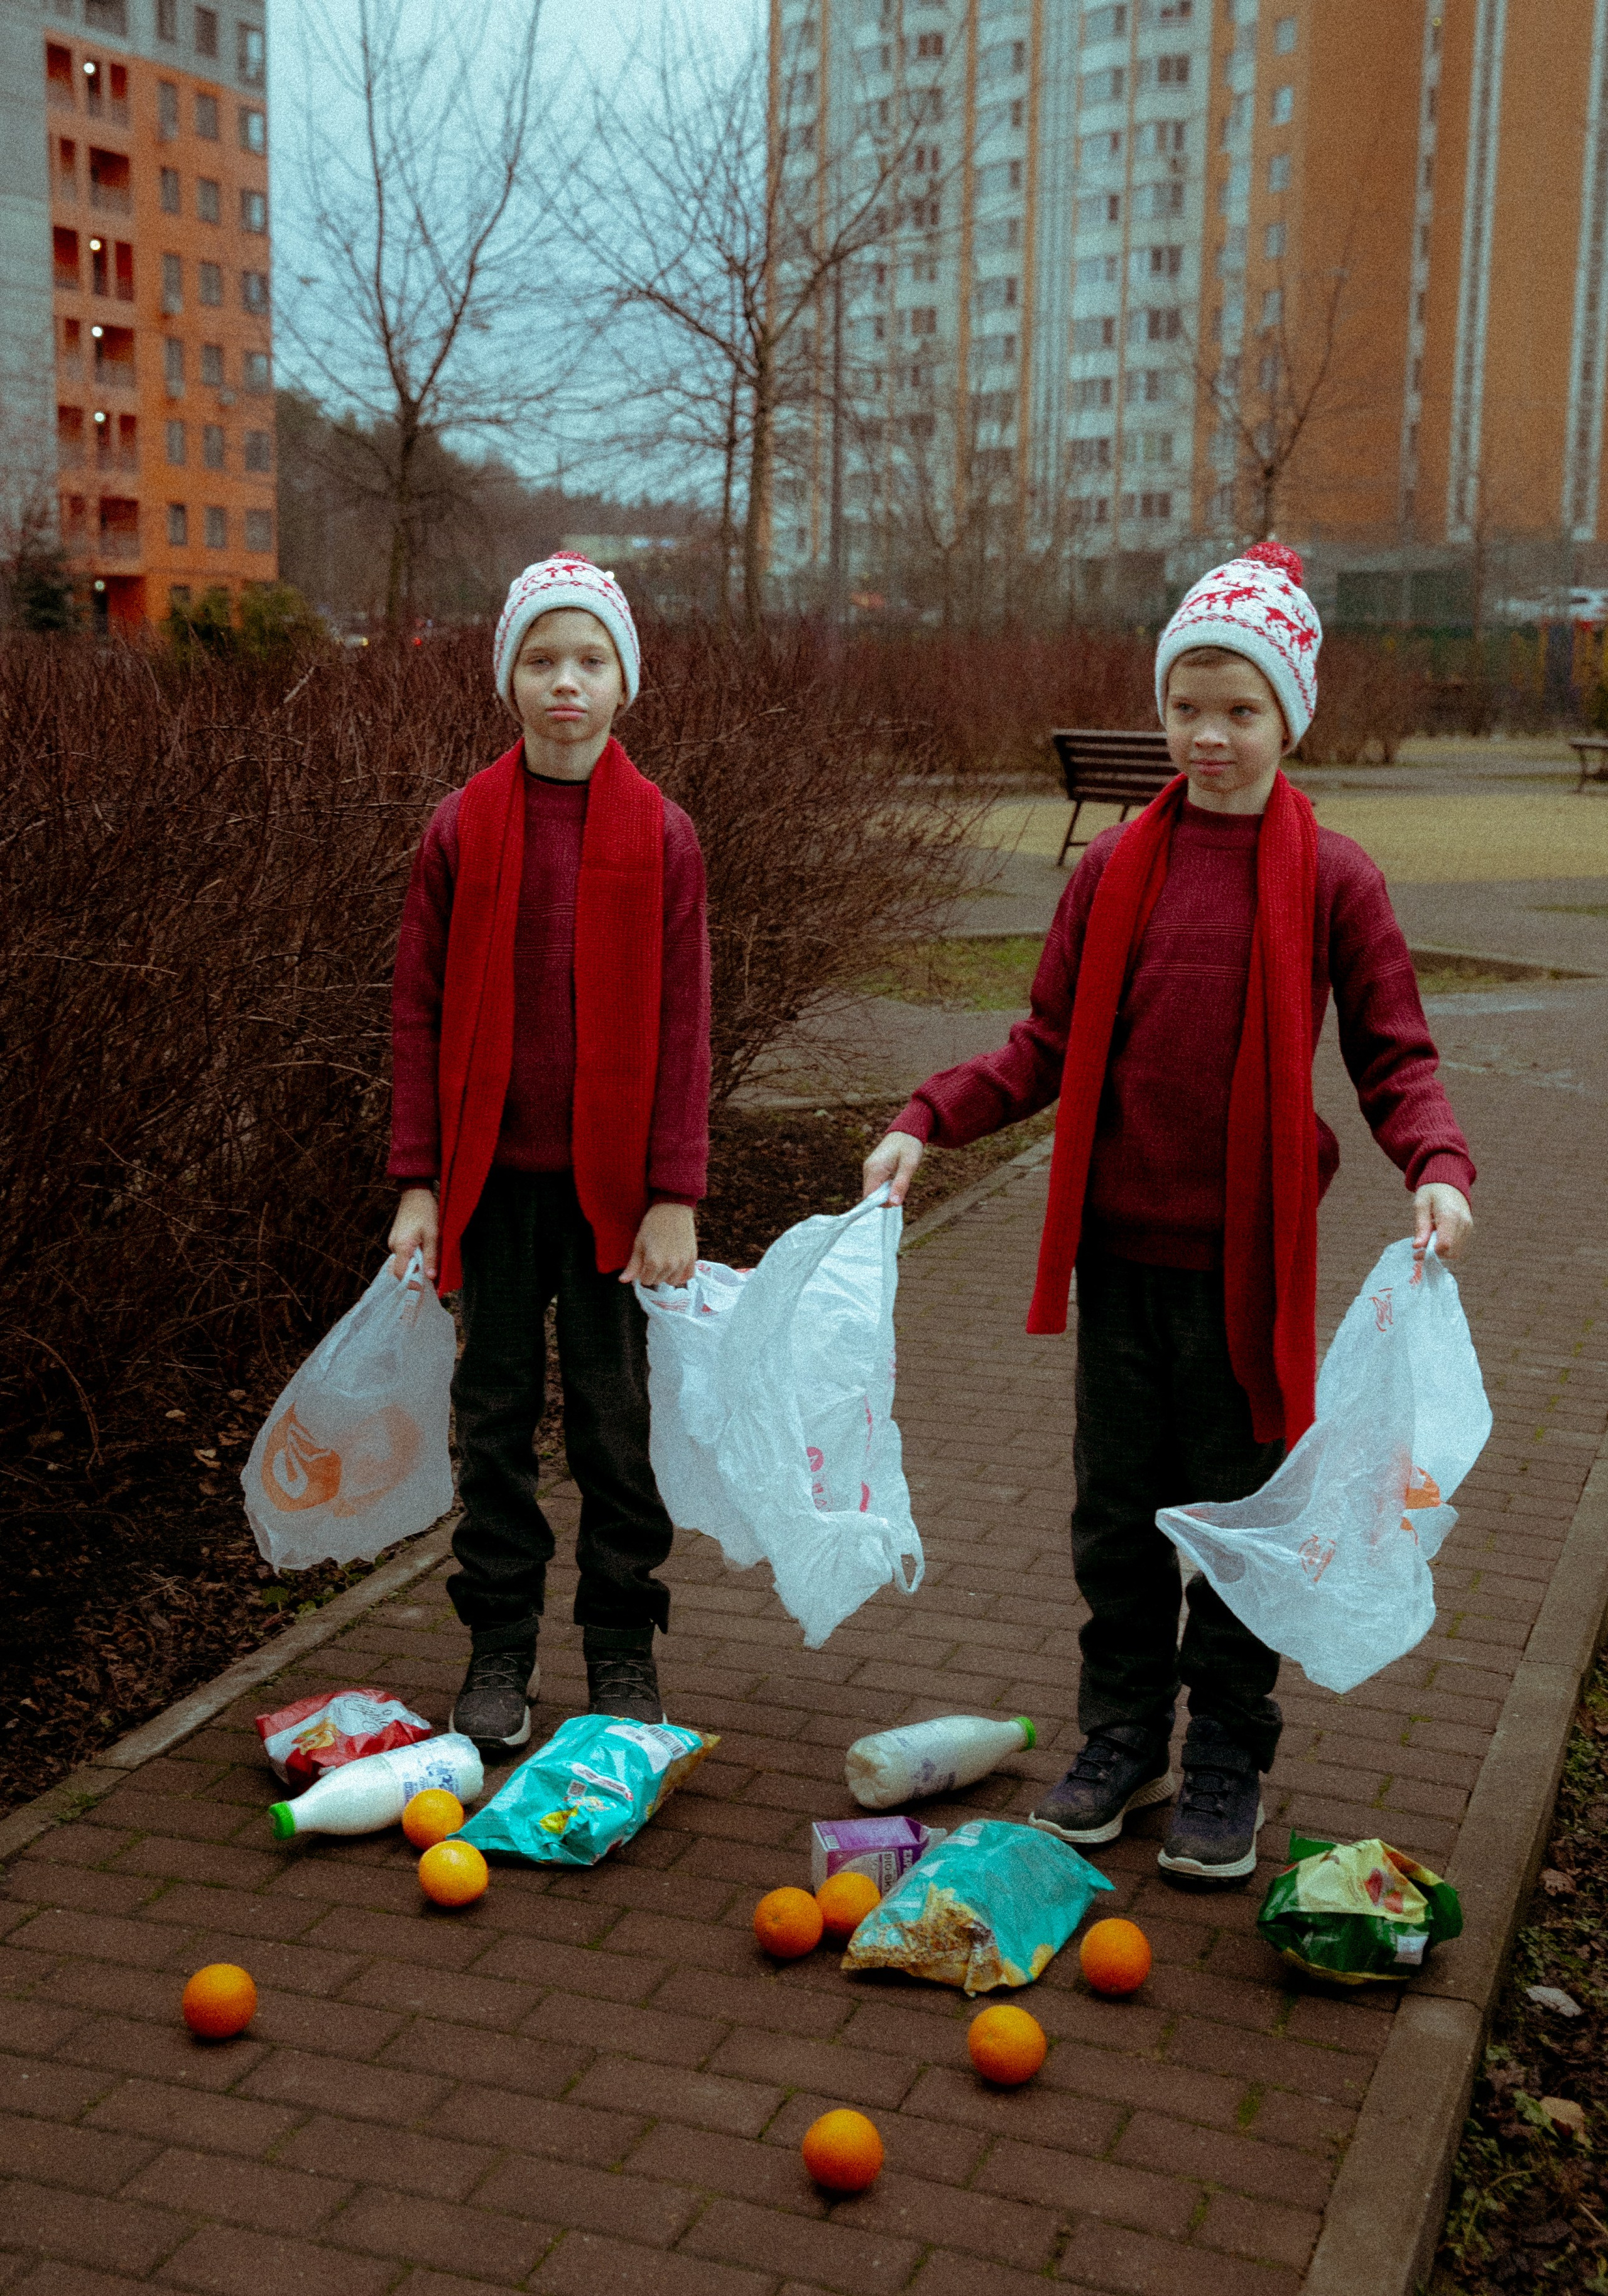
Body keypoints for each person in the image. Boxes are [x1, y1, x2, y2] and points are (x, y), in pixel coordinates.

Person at [862, 542, 1475, 1885]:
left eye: (1239, 708)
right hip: (1121, 1259)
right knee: (1117, 1522)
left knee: (1239, 1524)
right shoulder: (1112, 871)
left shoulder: (1333, 878)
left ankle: (1224, 1760)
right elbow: (1039, 1043)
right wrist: (926, 1118)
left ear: (1285, 716)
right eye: (1186, 705)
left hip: (1250, 1277)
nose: (1207, 734)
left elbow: (1394, 1052)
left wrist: (1433, 1162)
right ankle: (1125, 1736)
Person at [388, 554, 710, 1748]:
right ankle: (499, 1646)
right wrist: (420, 1181)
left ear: (626, 681)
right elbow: (417, 1009)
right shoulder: (464, 828)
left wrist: (675, 1192)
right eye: (541, 659)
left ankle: (622, 1648)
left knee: (614, 1428)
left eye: (589, 660)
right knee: (495, 1419)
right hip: (489, 1189)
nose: (564, 682)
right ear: (507, 679)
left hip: (615, 1200)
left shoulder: (664, 836)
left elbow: (687, 1024)